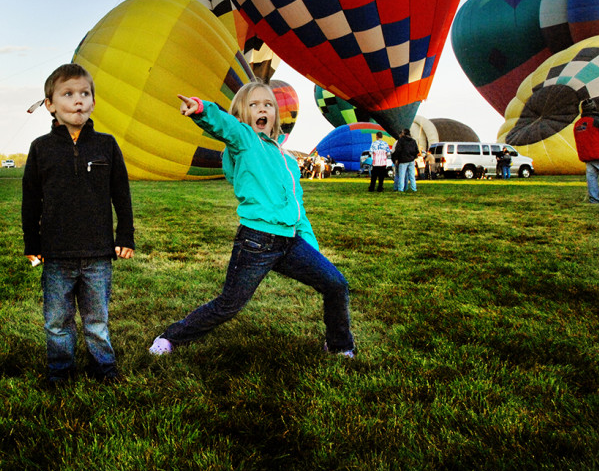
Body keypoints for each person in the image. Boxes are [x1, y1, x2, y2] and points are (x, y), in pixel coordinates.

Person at [149, 81, 355, 359]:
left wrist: (313, 252)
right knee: (228, 305)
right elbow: (225, 126)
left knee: (335, 283)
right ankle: (169, 338)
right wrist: (201, 110)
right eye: (254, 104)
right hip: (256, 241)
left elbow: (298, 210)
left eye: (268, 104)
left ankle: (340, 345)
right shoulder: (245, 141)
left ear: (275, 115)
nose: (262, 109)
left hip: (291, 242)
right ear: (242, 115)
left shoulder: (289, 160)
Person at [22, 63, 135, 384]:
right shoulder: (41, 149)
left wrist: (124, 235)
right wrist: (32, 244)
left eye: (85, 93)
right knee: (57, 320)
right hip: (56, 254)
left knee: (96, 320)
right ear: (50, 104)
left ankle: (105, 369)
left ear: (94, 102)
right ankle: (60, 371)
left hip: (98, 253)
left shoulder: (107, 145)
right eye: (68, 94)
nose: (78, 100)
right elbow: (31, 201)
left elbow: (121, 195)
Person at [573, 98, 599, 203]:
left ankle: (594, 200)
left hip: (587, 157)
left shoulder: (578, 123)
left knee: (591, 178)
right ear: (594, 107)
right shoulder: (597, 121)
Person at [391, 128, 419, 192]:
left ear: (403, 133)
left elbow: (398, 150)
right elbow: (416, 151)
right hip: (411, 160)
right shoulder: (413, 141)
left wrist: (396, 158)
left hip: (403, 160)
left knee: (402, 176)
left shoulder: (401, 140)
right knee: (412, 176)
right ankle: (414, 188)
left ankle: (401, 189)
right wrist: (413, 157)